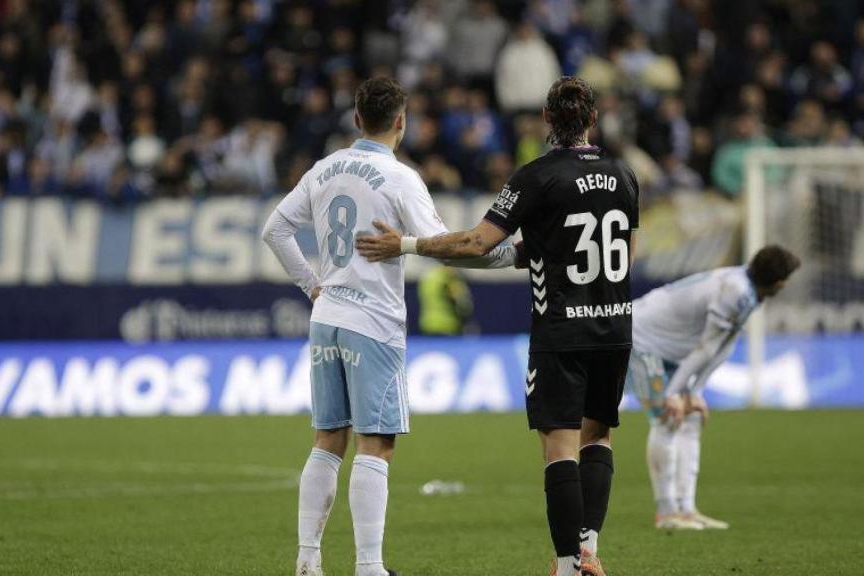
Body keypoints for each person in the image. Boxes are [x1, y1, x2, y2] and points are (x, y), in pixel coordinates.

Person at [358, 76, 640, 576]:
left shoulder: (536, 176)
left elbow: (475, 243)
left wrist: (406, 245)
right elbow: (625, 258)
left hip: (561, 331)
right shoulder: (624, 174)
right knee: (598, 437)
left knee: (560, 446)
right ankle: (590, 548)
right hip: (615, 326)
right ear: (593, 119)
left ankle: (570, 564)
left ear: (547, 121)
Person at [261, 77, 517, 576]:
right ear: (402, 122)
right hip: (372, 324)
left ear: (357, 119)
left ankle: (308, 562)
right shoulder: (401, 178)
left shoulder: (325, 167)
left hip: (327, 319)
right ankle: (369, 567)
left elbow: (275, 230)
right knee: (376, 443)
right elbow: (448, 247)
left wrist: (315, 287)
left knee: (327, 438)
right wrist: (511, 256)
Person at [628, 247, 800, 531]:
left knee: (691, 416)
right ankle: (667, 512)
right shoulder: (736, 292)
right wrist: (674, 393)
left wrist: (696, 390)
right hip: (642, 339)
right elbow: (707, 346)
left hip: (669, 348)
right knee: (667, 417)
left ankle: (686, 509)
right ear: (779, 283)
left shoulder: (748, 289)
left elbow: (723, 345)